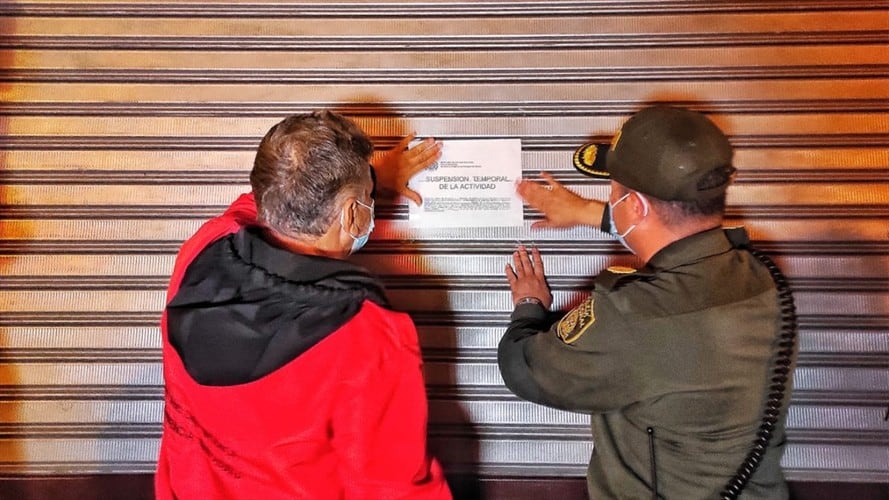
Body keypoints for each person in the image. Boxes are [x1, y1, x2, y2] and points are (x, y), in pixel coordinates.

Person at [498, 105, 797, 499]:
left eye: (614, 192)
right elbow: (679, 234)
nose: (611, 199)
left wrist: (529, 305)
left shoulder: (635, 314)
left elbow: (523, 368)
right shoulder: (758, 276)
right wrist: (589, 212)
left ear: (635, 206)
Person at [155, 110, 452, 499]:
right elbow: (395, 484)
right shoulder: (365, 334)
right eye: (365, 201)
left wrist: (368, 181)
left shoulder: (204, 247)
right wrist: (363, 184)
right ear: (350, 212)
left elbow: (258, 203)